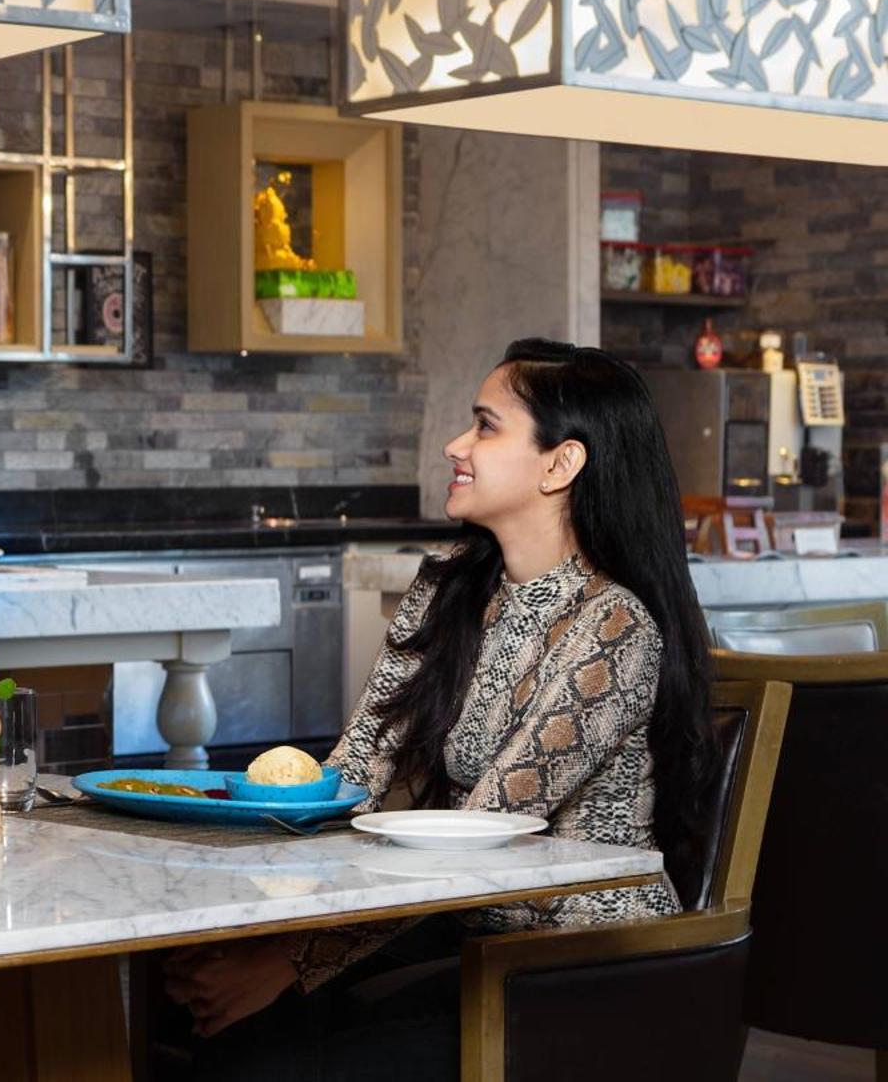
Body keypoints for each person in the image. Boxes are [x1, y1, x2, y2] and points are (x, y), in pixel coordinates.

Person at [165, 339, 717, 1080]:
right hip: (470, 930)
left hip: (583, 968)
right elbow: (352, 766)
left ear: (561, 464)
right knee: (189, 1002)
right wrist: (233, 895)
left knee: (269, 1051)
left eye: (486, 427)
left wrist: (290, 962)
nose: (458, 445)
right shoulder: (449, 589)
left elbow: (473, 841)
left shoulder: (611, 629)